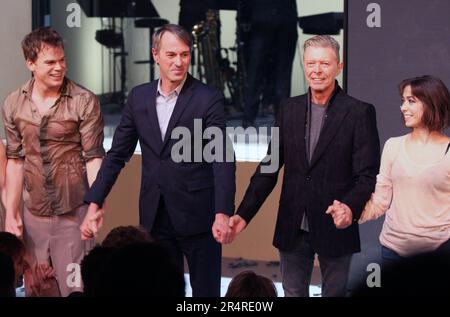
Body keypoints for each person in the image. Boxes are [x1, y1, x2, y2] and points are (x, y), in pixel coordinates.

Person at [81, 24, 236, 297]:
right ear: (156, 55)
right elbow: (117, 154)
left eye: (185, 55)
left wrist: (222, 213)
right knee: (159, 292)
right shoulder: (139, 97)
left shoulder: (206, 99)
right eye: (171, 54)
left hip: (199, 215)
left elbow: (222, 159)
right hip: (155, 215)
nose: (179, 62)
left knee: (206, 295)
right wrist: (95, 201)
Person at [227, 35, 380, 297]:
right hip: (292, 224)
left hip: (336, 225)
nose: (316, 70)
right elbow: (270, 166)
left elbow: (366, 175)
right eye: (310, 63)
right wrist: (244, 213)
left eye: (324, 63)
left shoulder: (358, 112)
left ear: (338, 67)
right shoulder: (288, 109)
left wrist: (349, 206)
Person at [2, 27, 105, 296]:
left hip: (73, 214)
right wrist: (12, 214)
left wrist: (96, 205)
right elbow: (15, 160)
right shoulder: (13, 103)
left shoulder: (83, 101)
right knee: (36, 287)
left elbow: (94, 157)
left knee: (75, 288)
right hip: (33, 213)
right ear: (31, 64)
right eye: (50, 62)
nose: (59, 67)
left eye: (62, 60)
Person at [357, 75, 450, 268]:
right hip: (393, 251)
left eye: (411, 101)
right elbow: (380, 202)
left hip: (439, 252)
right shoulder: (393, 146)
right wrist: (351, 211)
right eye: (403, 101)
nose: (403, 107)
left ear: (432, 103)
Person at [242, 0, 298, 127]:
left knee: (255, 71)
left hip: (262, 17)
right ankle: (281, 121)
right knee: (283, 73)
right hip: (285, 17)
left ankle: (248, 119)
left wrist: (245, 18)